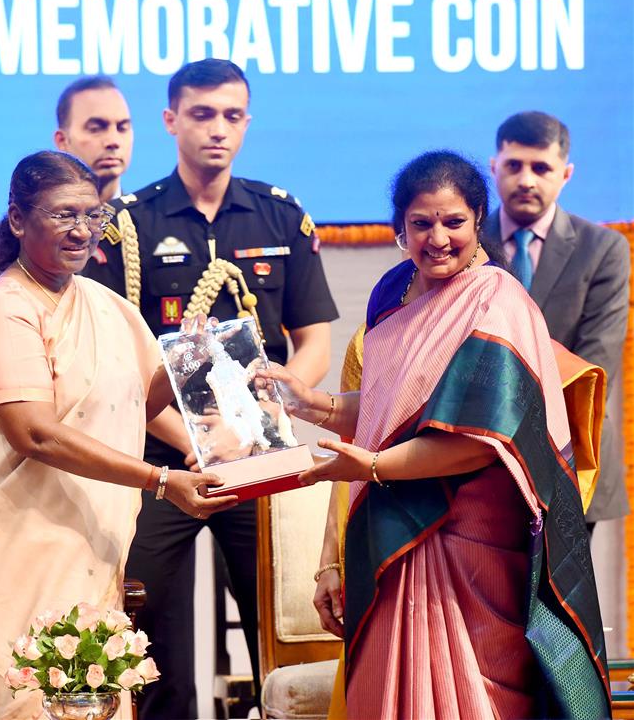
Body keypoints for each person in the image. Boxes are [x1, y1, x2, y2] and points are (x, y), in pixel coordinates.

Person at [259, 151, 610, 718]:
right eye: (421, 223)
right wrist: (314, 404)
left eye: (454, 222)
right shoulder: (391, 295)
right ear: (400, 227)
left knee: (470, 696)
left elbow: (476, 439)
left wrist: (371, 469)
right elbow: (389, 410)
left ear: (478, 221)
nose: (437, 238)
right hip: (394, 538)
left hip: (473, 539)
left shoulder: (497, 301)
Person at [82, 58, 338, 720]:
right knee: (145, 640)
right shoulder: (125, 224)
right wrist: (196, 443)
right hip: (160, 467)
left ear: (247, 122)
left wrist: (284, 396)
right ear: (170, 120)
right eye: (201, 114)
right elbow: (117, 362)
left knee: (282, 638)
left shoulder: (281, 216)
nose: (216, 130)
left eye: (231, 115)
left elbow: (312, 341)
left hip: (261, 460)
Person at [0, 151, 236, 720]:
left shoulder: (106, 305)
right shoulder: (5, 306)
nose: (82, 231)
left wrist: (188, 363)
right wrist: (161, 478)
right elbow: (35, 435)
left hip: (88, 536)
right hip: (12, 541)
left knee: (92, 697)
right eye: (63, 215)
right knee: (20, 701)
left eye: (92, 216)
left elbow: (137, 405)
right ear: (19, 220)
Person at [485, 111, 630, 532]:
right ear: (495, 168)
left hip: (569, 460)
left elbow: (595, 363)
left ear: (565, 175)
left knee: (558, 601)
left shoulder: (603, 250)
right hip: (479, 463)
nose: (526, 179)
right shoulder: (467, 244)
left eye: (541, 168)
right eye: (514, 166)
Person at [0, 75, 134, 290]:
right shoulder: (27, 228)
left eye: (123, 127)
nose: (113, 141)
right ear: (62, 140)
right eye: (96, 128)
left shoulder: (143, 223)